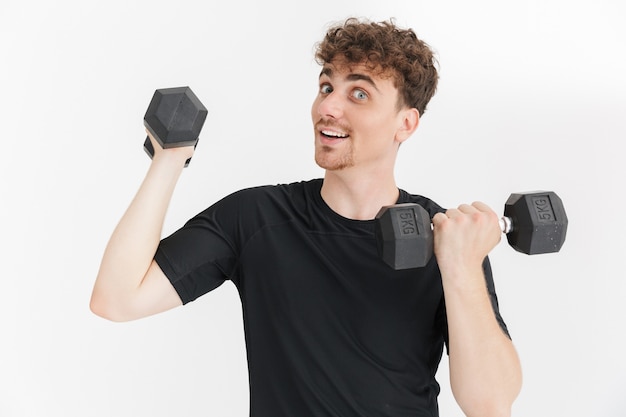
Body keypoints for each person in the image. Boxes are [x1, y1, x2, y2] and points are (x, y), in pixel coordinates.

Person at [91, 17, 522, 417]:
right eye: (325, 87)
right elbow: (117, 299)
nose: (328, 107)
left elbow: (490, 404)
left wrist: (462, 270)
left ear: (405, 124)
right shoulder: (257, 220)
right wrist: (168, 160)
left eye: (359, 93)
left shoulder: (445, 239)